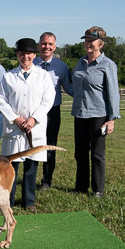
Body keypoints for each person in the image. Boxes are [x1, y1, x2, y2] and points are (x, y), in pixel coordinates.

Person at [0, 38, 55, 212]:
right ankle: (10, 200)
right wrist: (16, 118)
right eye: (22, 54)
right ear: (17, 55)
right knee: (11, 165)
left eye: (29, 54)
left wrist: (33, 119)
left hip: (34, 128)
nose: (25, 57)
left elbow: (48, 100)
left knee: (31, 165)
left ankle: (29, 201)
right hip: (14, 127)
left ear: (34, 55)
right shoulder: (8, 77)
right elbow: (1, 100)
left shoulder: (43, 76)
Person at [71, 26, 120, 198]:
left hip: (98, 115)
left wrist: (112, 118)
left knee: (97, 155)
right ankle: (81, 187)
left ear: (101, 43)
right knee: (80, 153)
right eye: (86, 40)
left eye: (91, 41)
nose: (88, 43)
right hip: (80, 114)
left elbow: (113, 93)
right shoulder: (80, 62)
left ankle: (97, 190)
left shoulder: (108, 65)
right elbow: (75, 88)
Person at [33, 32, 74, 191]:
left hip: (52, 112)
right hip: (33, 113)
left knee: (50, 146)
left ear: (55, 46)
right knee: (33, 145)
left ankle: (46, 181)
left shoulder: (61, 67)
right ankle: (30, 178)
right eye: (44, 43)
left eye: (50, 44)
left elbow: (70, 88)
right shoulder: (32, 62)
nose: (46, 47)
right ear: (39, 45)